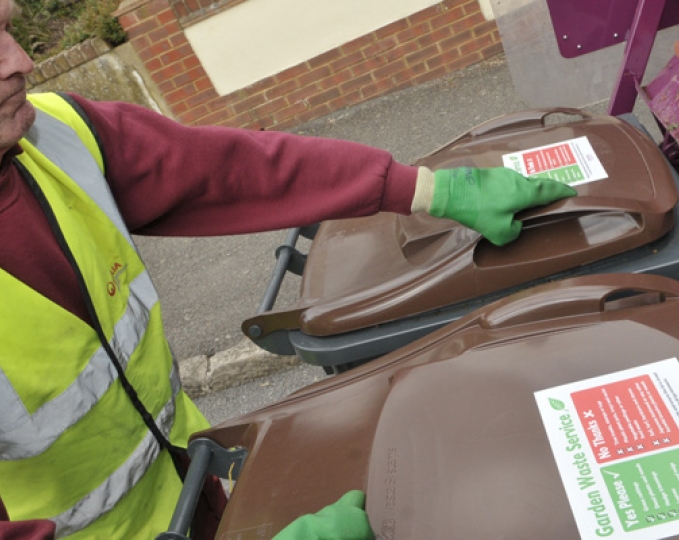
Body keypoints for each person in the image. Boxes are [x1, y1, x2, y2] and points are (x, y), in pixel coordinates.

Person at [0, 0, 577, 537]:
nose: (21, 62)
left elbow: (230, 170)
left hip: (202, 489)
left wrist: (427, 188)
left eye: (8, 29)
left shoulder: (57, 136)